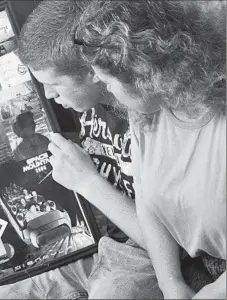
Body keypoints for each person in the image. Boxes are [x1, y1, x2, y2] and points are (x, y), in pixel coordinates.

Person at [0, 1, 160, 299]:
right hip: (91, 242)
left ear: (93, 70)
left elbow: (170, 242)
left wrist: (87, 183)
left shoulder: (147, 115)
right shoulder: (89, 104)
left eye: (54, 84)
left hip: (142, 254)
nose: (48, 95)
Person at [71, 1, 225, 299]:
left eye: (107, 82)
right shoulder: (146, 112)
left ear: (144, 75)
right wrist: (171, 284)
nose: (109, 92)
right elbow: (147, 205)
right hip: (197, 267)